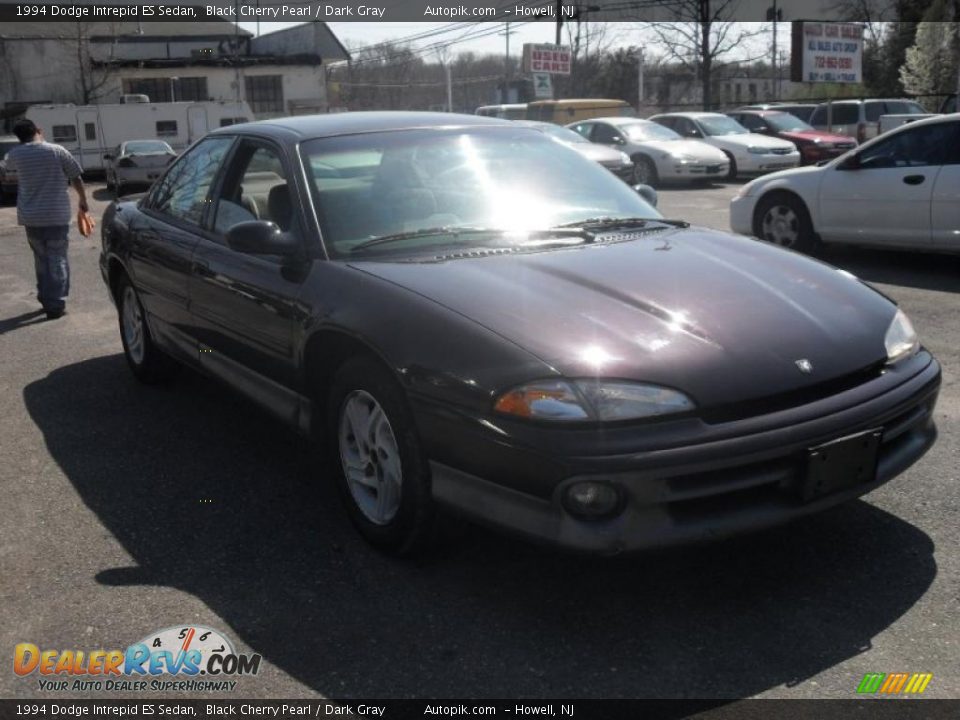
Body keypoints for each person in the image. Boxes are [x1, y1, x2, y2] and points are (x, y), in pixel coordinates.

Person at [5, 118, 89, 320]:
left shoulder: (15, 154)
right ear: (38, 130)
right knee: (57, 258)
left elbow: (8, 169)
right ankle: (56, 304)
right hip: (56, 215)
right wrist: (83, 200)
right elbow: (76, 176)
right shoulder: (57, 151)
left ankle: (45, 297)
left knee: (41, 259)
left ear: (19, 138)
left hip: (30, 216)